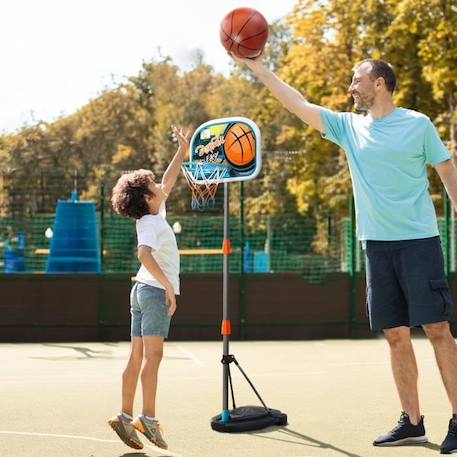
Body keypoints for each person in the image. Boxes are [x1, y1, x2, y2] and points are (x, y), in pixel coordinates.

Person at [230, 53, 457, 453]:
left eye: (357, 80)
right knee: (395, 336)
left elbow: (447, 170)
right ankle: (413, 423)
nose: (351, 87)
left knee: (438, 330)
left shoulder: (418, 124)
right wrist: (258, 68)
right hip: (376, 246)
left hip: (420, 242)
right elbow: (298, 105)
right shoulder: (349, 127)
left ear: (380, 83)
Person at [108, 126, 189, 450]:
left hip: (141, 289)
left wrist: (182, 149)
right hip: (153, 292)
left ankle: (125, 418)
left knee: (138, 355)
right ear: (145, 197)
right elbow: (143, 253)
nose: (160, 185)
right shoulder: (150, 223)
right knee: (153, 357)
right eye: (153, 184)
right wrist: (168, 286)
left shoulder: (156, 210)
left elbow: (169, 179)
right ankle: (148, 420)